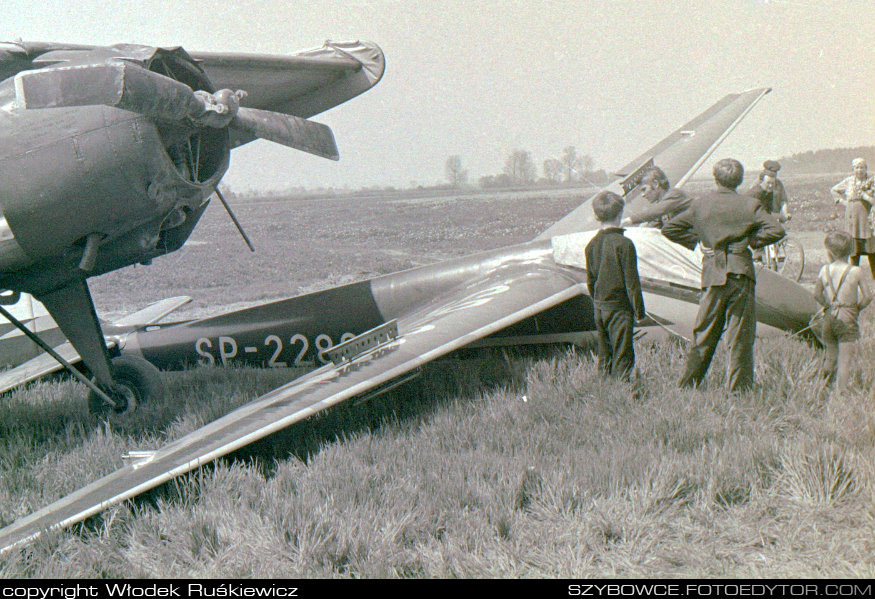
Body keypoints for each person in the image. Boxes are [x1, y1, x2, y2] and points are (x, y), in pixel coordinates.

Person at [661, 158, 785, 392]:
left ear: (715, 178)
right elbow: (776, 229)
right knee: (740, 335)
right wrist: (749, 241)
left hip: (713, 273)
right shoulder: (750, 204)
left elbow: (670, 229)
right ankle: (739, 391)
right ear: (739, 181)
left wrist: (699, 243)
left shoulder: (701, 204)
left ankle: (688, 385)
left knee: (705, 333)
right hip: (741, 273)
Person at [585, 191, 646, 381]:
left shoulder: (591, 245)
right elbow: (632, 283)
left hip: (600, 306)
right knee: (623, 353)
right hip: (619, 308)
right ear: (620, 214)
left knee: (605, 352)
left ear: (596, 216)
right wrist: (639, 311)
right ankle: (623, 390)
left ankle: (604, 387)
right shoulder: (625, 244)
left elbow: (590, 280)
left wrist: (597, 302)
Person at [813, 231, 872, 393]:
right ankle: (842, 391)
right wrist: (857, 307)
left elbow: (817, 294)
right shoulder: (856, 271)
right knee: (844, 359)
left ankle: (823, 387)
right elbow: (868, 296)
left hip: (829, 317)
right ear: (851, 251)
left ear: (829, 252)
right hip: (847, 320)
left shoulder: (824, 270)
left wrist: (828, 304)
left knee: (831, 355)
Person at [831, 158, 875, 277]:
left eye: (862, 167)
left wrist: (865, 196)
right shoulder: (849, 181)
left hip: (866, 218)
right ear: (853, 169)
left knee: (871, 248)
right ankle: (854, 276)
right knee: (854, 248)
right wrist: (843, 201)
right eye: (856, 168)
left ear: (866, 169)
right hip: (851, 218)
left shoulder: (871, 181)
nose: (859, 170)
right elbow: (834, 190)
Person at [621, 166, 692, 228]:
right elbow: (652, 226)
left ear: (656, 184)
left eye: (644, 189)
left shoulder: (675, 195)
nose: (643, 195)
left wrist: (629, 220)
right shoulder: (660, 206)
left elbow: (655, 212)